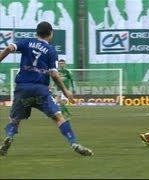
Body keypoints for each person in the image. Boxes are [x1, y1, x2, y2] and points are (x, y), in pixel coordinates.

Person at [0, 21, 93, 156]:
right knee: (58, 117)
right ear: (50, 34)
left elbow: (9, 48)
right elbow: (54, 74)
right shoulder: (51, 50)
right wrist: (65, 91)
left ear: (37, 33)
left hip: (23, 88)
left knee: (14, 120)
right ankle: (73, 142)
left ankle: (9, 136)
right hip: (40, 90)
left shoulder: (27, 42)